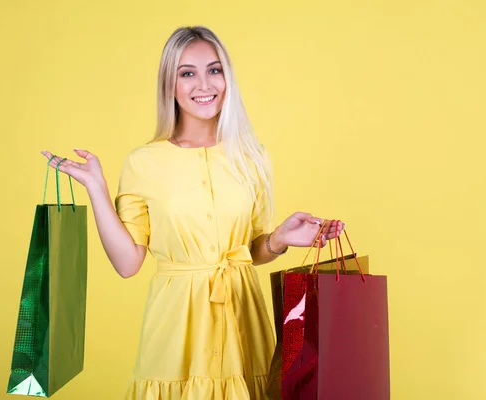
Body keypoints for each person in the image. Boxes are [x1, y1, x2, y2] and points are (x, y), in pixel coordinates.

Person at [42, 26, 344, 400]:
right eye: (188, 73)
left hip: (243, 322)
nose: (204, 84)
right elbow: (127, 263)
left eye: (214, 70)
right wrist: (97, 189)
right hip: (176, 329)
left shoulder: (253, 156)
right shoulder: (143, 162)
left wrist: (280, 238)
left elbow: (250, 250)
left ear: (227, 78)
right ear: (170, 85)